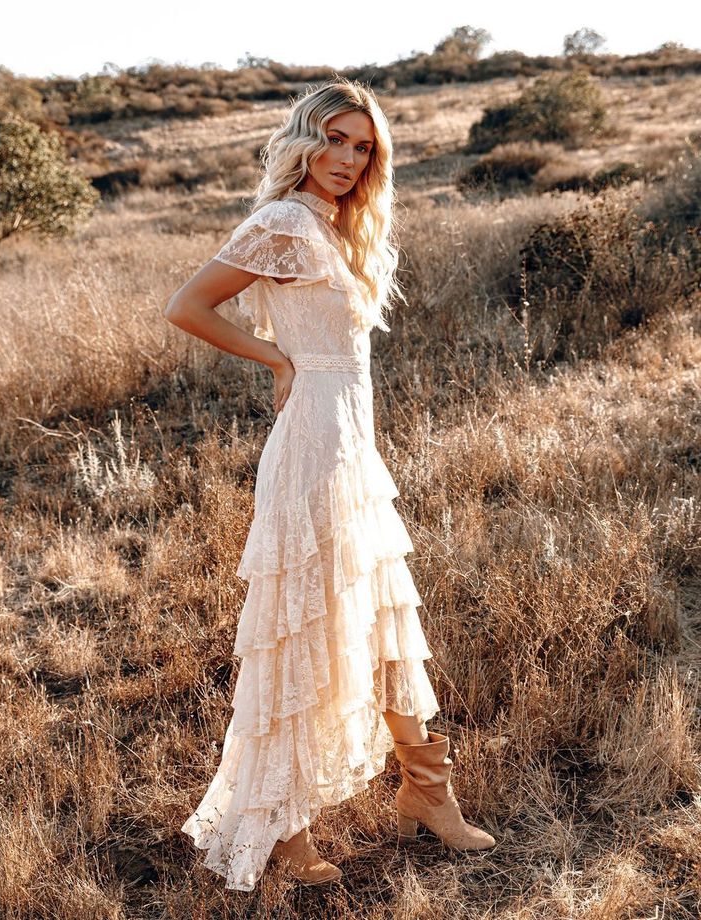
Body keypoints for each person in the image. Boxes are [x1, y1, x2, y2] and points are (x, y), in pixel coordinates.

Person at [164, 77, 496, 893]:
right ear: (304, 139)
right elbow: (189, 305)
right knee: (305, 629)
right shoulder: (281, 221)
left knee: (382, 615)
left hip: (352, 444)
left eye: (363, 146)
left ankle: (428, 793)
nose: (347, 159)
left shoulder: (341, 226)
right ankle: (284, 827)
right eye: (335, 140)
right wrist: (277, 359)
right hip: (312, 441)